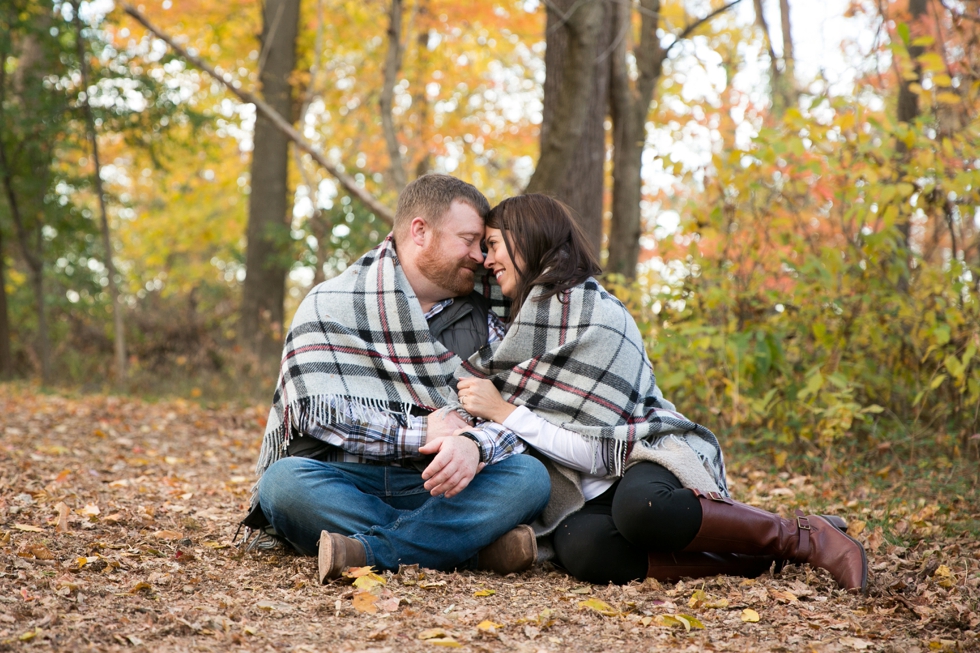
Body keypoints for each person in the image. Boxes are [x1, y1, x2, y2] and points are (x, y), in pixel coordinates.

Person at [456, 194, 868, 592]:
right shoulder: (522, 329)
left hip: (643, 453)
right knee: (583, 549)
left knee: (641, 509)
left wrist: (505, 412)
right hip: (590, 490)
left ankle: (802, 537)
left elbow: (601, 453)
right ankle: (752, 558)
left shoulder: (598, 317)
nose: (487, 260)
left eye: (493, 245)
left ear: (526, 237)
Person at [243, 175, 550, 583]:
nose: (480, 256)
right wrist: (421, 430)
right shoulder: (331, 304)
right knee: (282, 484)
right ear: (420, 231)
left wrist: (475, 446)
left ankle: (368, 549)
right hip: (351, 483)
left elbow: (519, 412)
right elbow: (316, 413)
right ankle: (467, 548)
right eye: (469, 240)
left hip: (446, 488)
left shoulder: (493, 318)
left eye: (482, 244)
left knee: (530, 479)